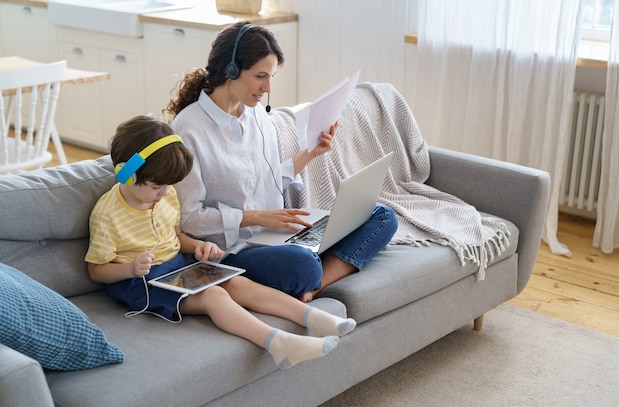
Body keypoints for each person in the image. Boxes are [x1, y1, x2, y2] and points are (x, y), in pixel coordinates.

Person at [85, 115, 356, 369]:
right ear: (126, 175)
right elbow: (96, 270)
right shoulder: (108, 215)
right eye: (157, 187)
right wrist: (130, 268)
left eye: (168, 186)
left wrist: (197, 246)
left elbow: (177, 237)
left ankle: (315, 318)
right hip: (140, 285)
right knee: (214, 295)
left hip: (178, 267)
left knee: (235, 282)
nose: (165, 193)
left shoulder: (166, 197)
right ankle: (279, 343)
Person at [165, 21, 398, 302]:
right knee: (303, 266)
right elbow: (189, 218)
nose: (268, 87)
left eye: (272, 76)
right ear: (231, 69)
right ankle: (314, 276)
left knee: (383, 216)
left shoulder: (256, 115)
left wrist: (311, 153)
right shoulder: (188, 129)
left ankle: (315, 286)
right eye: (260, 76)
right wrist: (257, 217)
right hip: (235, 251)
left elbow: (271, 176)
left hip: (277, 235)